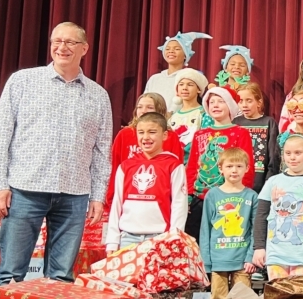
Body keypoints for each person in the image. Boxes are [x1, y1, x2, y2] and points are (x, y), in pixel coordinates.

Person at [0, 21, 113, 284]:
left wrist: (98, 196)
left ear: (84, 48)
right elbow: (0, 135)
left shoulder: (98, 95)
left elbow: (102, 151)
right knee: (10, 273)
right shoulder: (23, 81)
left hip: (74, 193)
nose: (62, 47)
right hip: (25, 189)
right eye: (57, 41)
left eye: (70, 42)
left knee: (61, 277)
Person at [252, 134, 303, 278]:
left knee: (299, 291)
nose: (292, 157)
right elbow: (261, 216)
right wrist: (259, 247)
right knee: (278, 291)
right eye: (288, 153)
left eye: (298, 153)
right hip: (275, 254)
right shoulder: (272, 181)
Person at [105, 112, 187, 252]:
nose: (146, 137)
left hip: (160, 237)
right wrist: (112, 240)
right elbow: (117, 203)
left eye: (152, 132)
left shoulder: (174, 165)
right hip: (127, 238)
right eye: (141, 132)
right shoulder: (126, 166)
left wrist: (175, 239)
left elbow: (179, 205)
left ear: (164, 135)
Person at [184, 87, 255, 239]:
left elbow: (247, 167)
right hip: (199, 198)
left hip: (228, 197)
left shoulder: (241, 133)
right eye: (212, 102)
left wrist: (243, 194)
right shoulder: (200, 134)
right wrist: (188, 196)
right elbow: (192, 167)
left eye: (221, 101)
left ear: (230, 105)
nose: (215, 105)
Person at [105, 92, 182, 207]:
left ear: (160, 111)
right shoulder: (124, 134)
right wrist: (110, 199)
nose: (143, 111)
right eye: (139, 107)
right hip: (127, 198)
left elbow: (177, 172)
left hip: (160, 200)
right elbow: (114, 167)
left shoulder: (170, 136)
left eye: (149, 107)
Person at [199, 148, 258, 299]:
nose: (234, 170)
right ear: (221, 168)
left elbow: (255, 230)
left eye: (239, 166)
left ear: (247, 168)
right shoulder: (212, 195)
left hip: (242, 261)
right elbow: (205, 229)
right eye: (229, 166)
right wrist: (206, 260)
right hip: (218, 260)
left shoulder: (251, 196)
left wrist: (250, 257)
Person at [144, 31, 211, 109]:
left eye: (177, 49)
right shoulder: (154, 79)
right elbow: (145, 102)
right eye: (167, 49)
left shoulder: (189, 78)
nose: (171, 51)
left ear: (185, 55)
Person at [233, 82, 279, 192]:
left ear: (259, 102)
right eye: (240, 101)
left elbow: (273, 155)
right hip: (238, 181)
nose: (244, 105)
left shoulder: (269, 122)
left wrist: (270, 179)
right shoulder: (235, 123)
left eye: (249, 101)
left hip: (261, 182)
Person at [167, 68, 209, 159]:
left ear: (198, 89)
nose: (185, 88)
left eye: (190, 85)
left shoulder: (204, 113)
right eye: (181, 84)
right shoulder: (172, 118)